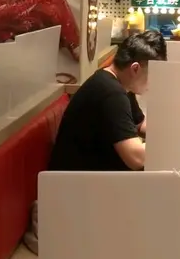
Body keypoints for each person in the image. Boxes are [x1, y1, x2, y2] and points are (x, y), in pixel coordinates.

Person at [48, 30, 166, 172]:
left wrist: (170, 131)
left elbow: (140, 124)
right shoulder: (110, 93)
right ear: (135, 69)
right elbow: (137, 159)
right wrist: (166, 143)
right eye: (152, 76)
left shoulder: (119, 84)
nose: (153, 84)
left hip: (93, 178)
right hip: (76, 181)